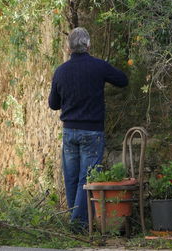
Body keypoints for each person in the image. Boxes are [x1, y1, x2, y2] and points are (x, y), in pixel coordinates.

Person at [48, 27, 128, 228]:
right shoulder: (98, 67)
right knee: (88, 178)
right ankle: (79, 224)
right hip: (92, 131)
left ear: (69, 48)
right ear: (88, 45)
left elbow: (53, 104)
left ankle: (76, 221)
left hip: (69, 131)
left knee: (72, 177)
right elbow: (122, 80)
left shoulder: (61, 71)